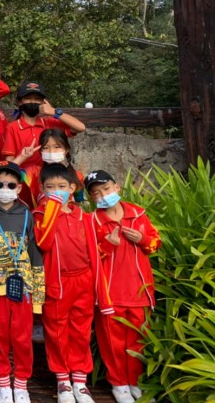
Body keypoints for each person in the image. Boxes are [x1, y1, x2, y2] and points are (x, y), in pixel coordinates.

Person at [33, 164, 109, 403]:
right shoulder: (39, 216)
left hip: (83, 280)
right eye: (50, 187)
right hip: (57, 282)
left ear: (72, 188)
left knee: (81, 331)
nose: (56, 191)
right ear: (42, 189)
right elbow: (44, 243)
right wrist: (52, 210)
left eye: (62, 186)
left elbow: (95, 251)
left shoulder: (84, 217)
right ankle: (63, 381)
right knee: (57, 331)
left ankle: (80, 381)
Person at [85, 170, 161, 403]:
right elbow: (88, 257)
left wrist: (142, 239)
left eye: (106, 189)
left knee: (138, 340)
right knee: (112, 342)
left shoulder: (138, 214)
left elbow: (155, 244)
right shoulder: (92, 221)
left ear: (117, 187)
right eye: (96, 193)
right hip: (110, 294)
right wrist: (108, 246)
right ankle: (119, 384)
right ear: (91, 198)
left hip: (139, 291)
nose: (103, 195)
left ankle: (135, 382)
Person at [0, 161, 45, 403]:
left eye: (11, 185)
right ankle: (4, 384)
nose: (5, 188)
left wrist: (38, 296)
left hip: (23, 287)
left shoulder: (27, 215)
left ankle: (21, 384)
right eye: (0, 184)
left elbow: (35, 255)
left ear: (19, 188)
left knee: (22, 338)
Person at [1, 81, 86, 169]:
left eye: (37, 99)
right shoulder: (12, 128)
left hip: (49, 174)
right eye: (28, 98)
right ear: (20, 102)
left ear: (43, 102)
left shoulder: (50, 123)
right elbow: (9, 162)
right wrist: (23, 157)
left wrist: (53, 111)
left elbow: (80, 127)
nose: (33, 101)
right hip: (23, 175)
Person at [21, 129, 86, 210]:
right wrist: (22, 157)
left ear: (66, 150)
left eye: (57, 147)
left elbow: (78, 203)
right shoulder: (33, 172)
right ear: (41, 151)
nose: (51, 151)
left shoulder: (77, 176)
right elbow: (8, 175)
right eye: (46, 147)